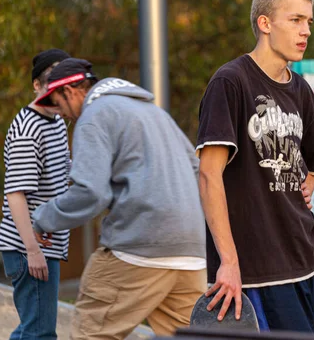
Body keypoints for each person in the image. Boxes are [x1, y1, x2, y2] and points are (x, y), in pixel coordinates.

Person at [31, 58, 206, 339]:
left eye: (58, 105)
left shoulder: (94, 116)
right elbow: (197, 170)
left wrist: (42, 219)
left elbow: (90, 192)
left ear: (71, 91)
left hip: (138, 245)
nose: (62, 115)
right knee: (186, 335)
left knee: (92, 331)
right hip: (190, 252)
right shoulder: (154, 113)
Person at [196, 0, 314, 332]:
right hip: (257, 272)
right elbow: (209, 175)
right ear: (265, 23)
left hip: (309, 262)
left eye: (309, 22)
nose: (306, 31)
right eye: (296, 19)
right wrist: (228, 261)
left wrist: (307, 187)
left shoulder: (301, 91)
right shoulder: (230, 83)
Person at [0, 48, 71, 339]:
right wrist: (32, 250)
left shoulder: (55, 122)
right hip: (28, 247)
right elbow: (15, 193)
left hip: (45, 245)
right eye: (50, 81)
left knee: (33, 330)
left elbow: (61, 170)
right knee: (39, 333)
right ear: (36, 86)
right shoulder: (28, 129)